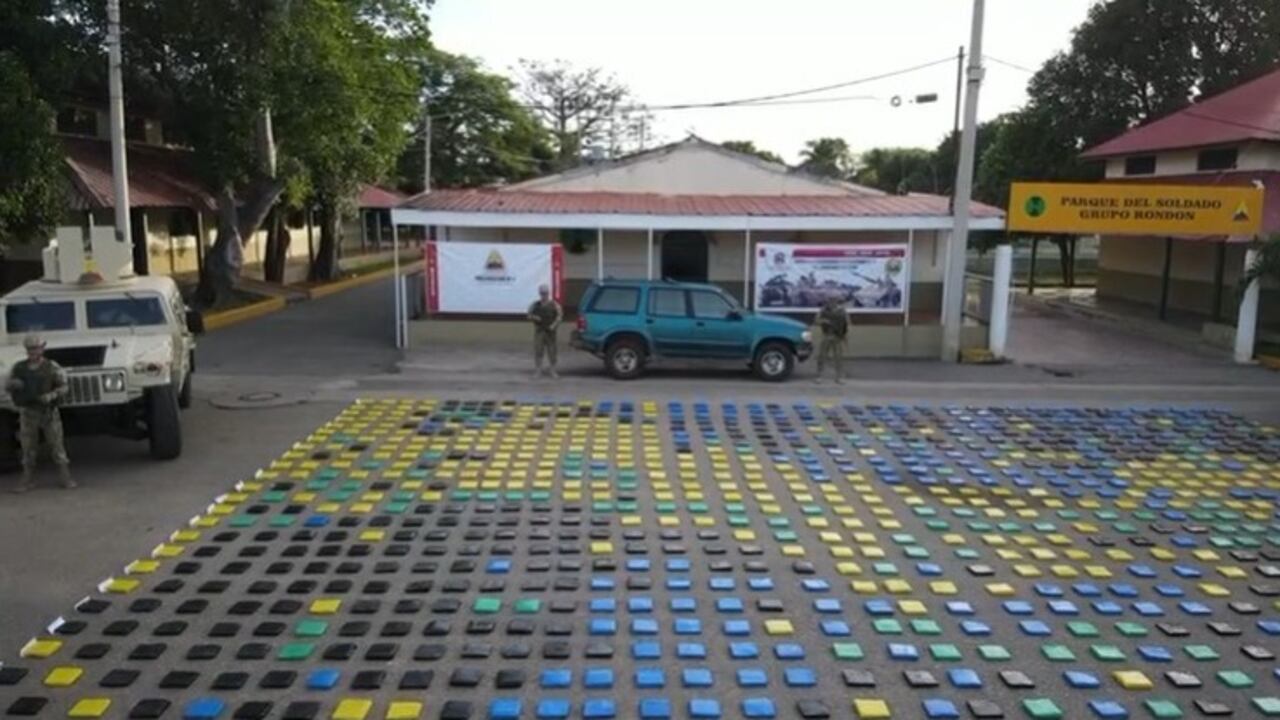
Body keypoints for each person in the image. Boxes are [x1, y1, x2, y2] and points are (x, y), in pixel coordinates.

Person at [6, 334, 74, 492]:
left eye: (36, 348)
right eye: (30, 348)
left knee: (57, 446)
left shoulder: (51, 366)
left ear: (42, 348)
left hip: (48, 412)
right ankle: (27, 479)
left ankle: (65, 477)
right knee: (28, 448)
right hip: (28, 412)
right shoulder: (19, 368)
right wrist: (13, 385)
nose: (33, 352)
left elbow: (64, 386)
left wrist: (51, 395)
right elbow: (7, 386)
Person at [526, 284, 563, 379]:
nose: (544, 295)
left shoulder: (554, 305)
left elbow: (559, 316)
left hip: (550, 331)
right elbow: (528, 315)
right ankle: (538, 370)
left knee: (552, 351)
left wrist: (553, 326)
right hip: (539, 331)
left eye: (545, 293)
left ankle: (553, 370)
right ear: (539, 294)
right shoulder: (535, 305)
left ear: (548, 293)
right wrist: (535, 317)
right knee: (538, 351)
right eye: (542, 293)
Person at [814, 296, 849, 384]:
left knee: (838, 357)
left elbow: (847, 322)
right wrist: (824, 321)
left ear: (836, 302)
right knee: (822, 356)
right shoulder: (823, 310)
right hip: (827, 335)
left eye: (833, 301)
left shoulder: (842, 311)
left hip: (837, 336)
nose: (831, 303)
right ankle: (819, 376)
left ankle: (838, 377)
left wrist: (844, 335)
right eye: (830, 301)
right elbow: (816, 320)